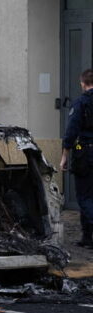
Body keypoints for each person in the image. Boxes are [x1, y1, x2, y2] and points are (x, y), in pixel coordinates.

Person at [60, 69, 93, 248]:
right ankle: (87, 238)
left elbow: (71, 131)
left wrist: (65, 155)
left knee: (84, 197)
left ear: (83, 83)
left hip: (86, 153)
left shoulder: (81, 102)